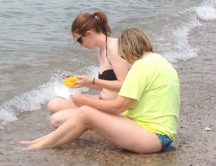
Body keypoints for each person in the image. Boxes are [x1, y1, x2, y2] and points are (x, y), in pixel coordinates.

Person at [24, 28, 179, 153]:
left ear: (127, 48)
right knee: (86, 114)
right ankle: (42, 141)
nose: (124, 58)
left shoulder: (142, 67)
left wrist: (85, 101)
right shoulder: (160, 61)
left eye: (123, 55)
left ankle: (39, 145)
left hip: (155, 137)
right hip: (160, 133)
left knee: (86, 113)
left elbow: (118, 106)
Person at [47, 11, 130, 128]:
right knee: (54, 105)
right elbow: (104, 85)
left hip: (115, 107)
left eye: (80, 40)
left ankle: (96, 125)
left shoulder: (114, 47)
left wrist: (92, 81)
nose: (81, 45)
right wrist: (81, 81)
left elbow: (125, 85)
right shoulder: (100, 49)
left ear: (89, 34)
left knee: (56, 120)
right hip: (102, 99)